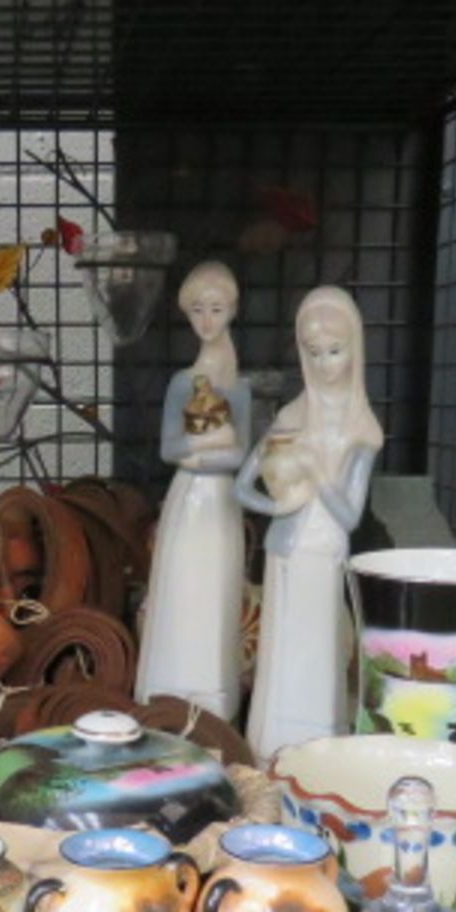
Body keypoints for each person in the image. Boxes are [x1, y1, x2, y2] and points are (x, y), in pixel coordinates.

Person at [235, 285, 382, 760]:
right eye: (313, 352)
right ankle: (267, 753)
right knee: (278, 657)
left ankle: (316, 756)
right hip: (284, 548)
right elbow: (243, 486)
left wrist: (317, 470)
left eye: (335, 351)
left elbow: (349, 515)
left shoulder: (363, 430)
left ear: (354, 348)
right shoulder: (291, 414)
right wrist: (278, 505)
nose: (323, 363)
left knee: (317, 655)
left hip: (324, 551)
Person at [133, 262, 252, 718]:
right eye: (198, 310)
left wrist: (207, 451)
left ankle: (213, 699)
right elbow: (170, 446)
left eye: (216, 309)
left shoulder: (237, 387)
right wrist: (207, 444)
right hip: (190, 499)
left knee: (215, 588)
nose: (207, 320)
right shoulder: (182, 382)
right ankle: (168, 691)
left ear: (231, 311)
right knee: (181, 588)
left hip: (221, 502)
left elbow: (242, 454)